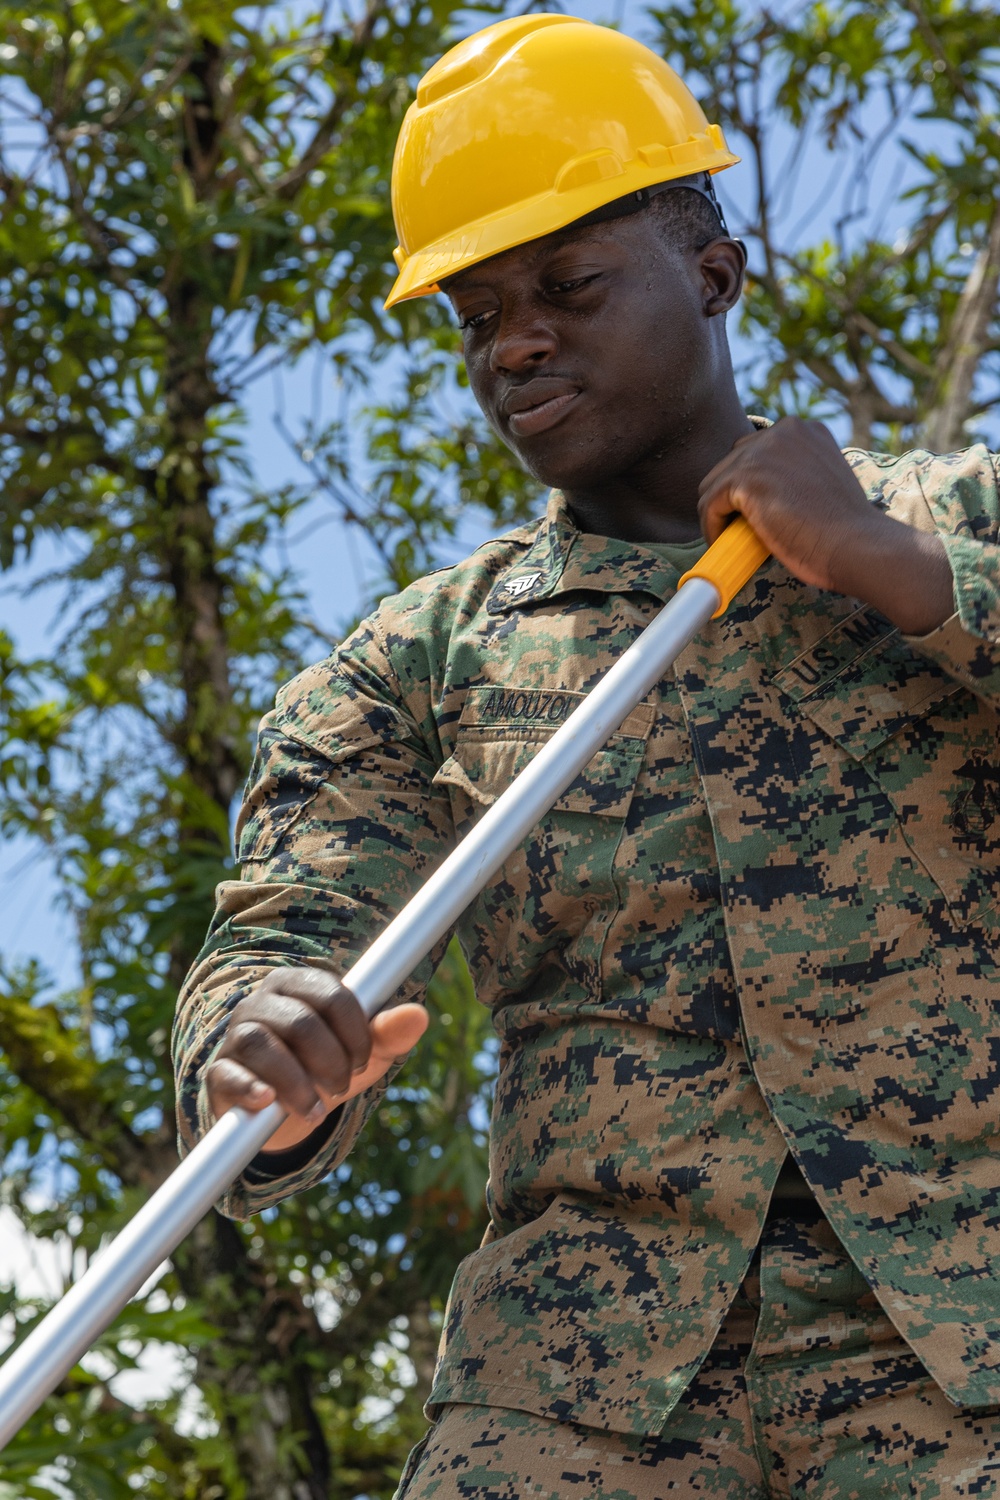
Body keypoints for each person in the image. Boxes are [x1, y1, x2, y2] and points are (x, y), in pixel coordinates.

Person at [173, 15, 1000, 1496]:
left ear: (714, 271)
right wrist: (261, 1039)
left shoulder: (956, 515)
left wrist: (896, 565)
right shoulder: (417, 662)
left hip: (959, 1347)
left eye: (565, 284)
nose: (515, 342)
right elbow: (282, 936)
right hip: (578, 1396)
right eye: (476, 313)